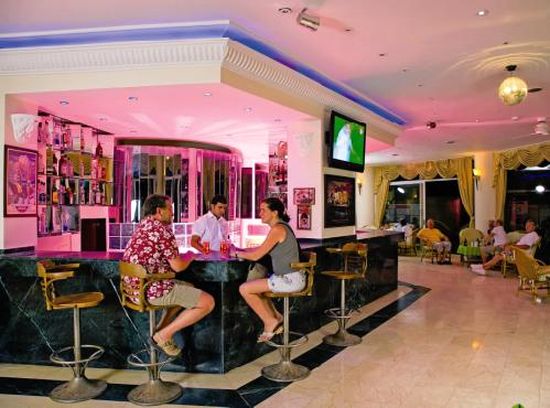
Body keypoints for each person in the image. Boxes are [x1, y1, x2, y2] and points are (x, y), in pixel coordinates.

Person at [122, 194, 215, 356]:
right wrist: (190, 256)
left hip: (133, 290)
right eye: (170, 209)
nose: (173, 213)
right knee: (207, 302)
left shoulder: (143, 226)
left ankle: (160, 329)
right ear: (159, 211)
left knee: (188, 287)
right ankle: (164, 335)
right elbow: (178, 266)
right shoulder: (162, 231)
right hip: (151, 290)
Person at [237, 197, 305, 342]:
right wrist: (243, 251)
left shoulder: (278, 229)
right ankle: (277, 317)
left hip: (289, 280)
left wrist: (235, 253)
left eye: (263, 210)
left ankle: (269, 321)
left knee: (245, 289)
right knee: (256, 288)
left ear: (274, 213)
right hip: (291, 277)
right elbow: (262, 250)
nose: (260, 213)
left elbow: (256, 256)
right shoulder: (282, 227)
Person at [471, 219, 540, 275]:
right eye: (526, 225)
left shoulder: (533, 234)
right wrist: (511, 245)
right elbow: (522, 244)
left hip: (520, 254)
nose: (527, 227)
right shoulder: (528, 235)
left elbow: (526, 246)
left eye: (529, 226)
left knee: (499, 256)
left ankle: (482, 267)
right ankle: (483, 267)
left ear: (534, 227)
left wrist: (512, 246)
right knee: (498, 256)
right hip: (516, 251)